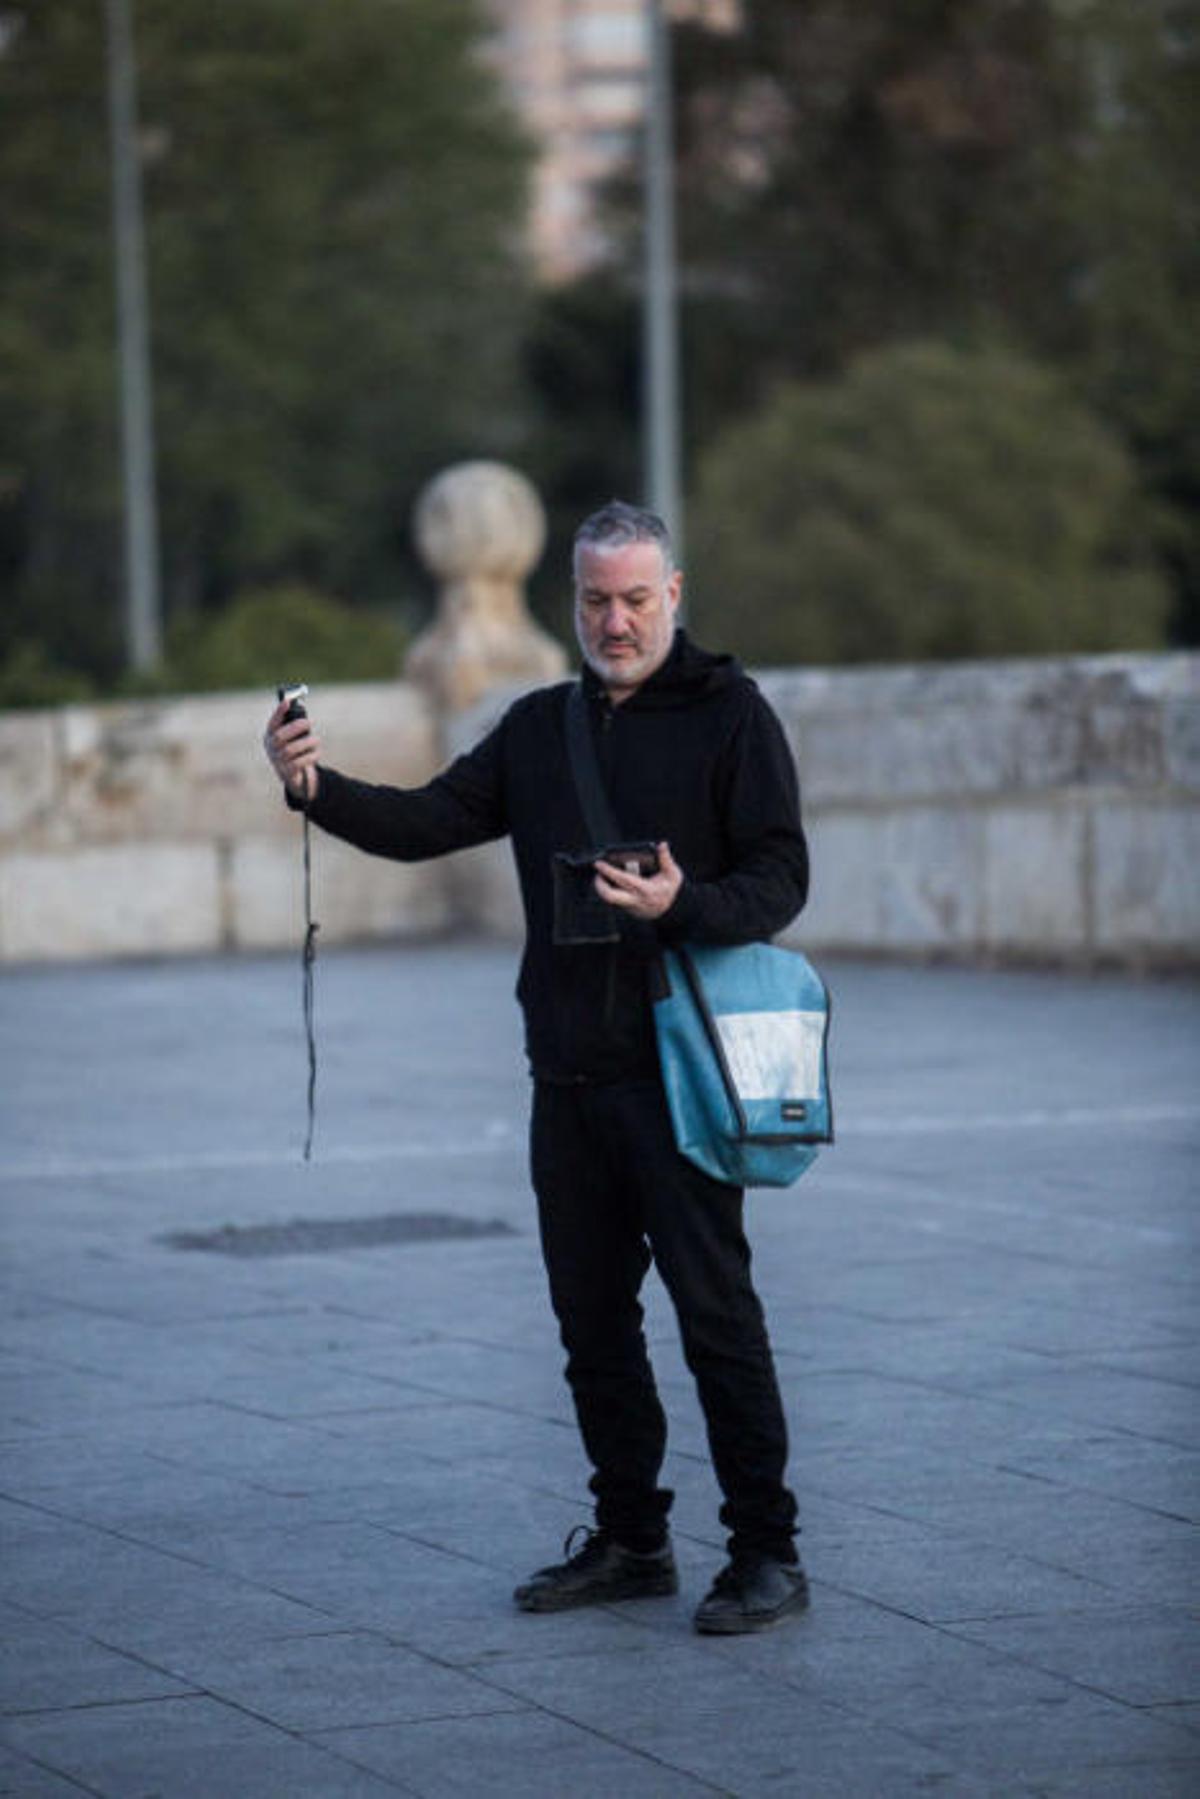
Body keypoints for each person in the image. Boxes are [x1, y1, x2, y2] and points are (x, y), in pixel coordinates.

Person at [264, 500, 811, 1634]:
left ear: (676, 593)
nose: (615, 620)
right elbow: (426, 821)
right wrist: (314, 786)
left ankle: (767, 1551)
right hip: (565, 1073)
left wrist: (683, 904)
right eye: (596, 600)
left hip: (680, 1072)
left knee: (718, 1319)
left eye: (636, 598)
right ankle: (632, 1539)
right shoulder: (540, 725)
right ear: (572, 601)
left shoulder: (731, 716)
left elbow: (781, 878)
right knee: (592, 1326)